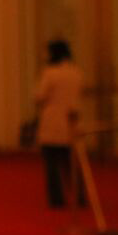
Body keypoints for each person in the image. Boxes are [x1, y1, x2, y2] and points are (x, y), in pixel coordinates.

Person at [34, 39, 84, 208]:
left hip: (52, 121)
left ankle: (56, 199)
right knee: (71, 165)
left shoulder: (50, 73)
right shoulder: (76, 72)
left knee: (52, 165)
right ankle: (80, 196)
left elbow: (40, 96)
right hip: (70, 121)